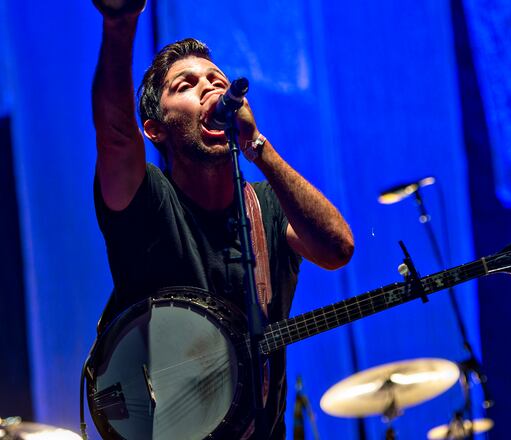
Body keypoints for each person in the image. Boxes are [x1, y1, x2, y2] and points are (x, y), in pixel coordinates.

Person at [91, 0, 354, 438]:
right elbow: (116, 135)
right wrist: (121, 23)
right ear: (156, 128)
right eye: (186, 85)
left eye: (218, 81)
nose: (210, 90)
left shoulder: (267, 206)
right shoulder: (148, 200)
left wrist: (258, 148)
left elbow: (338, 248)